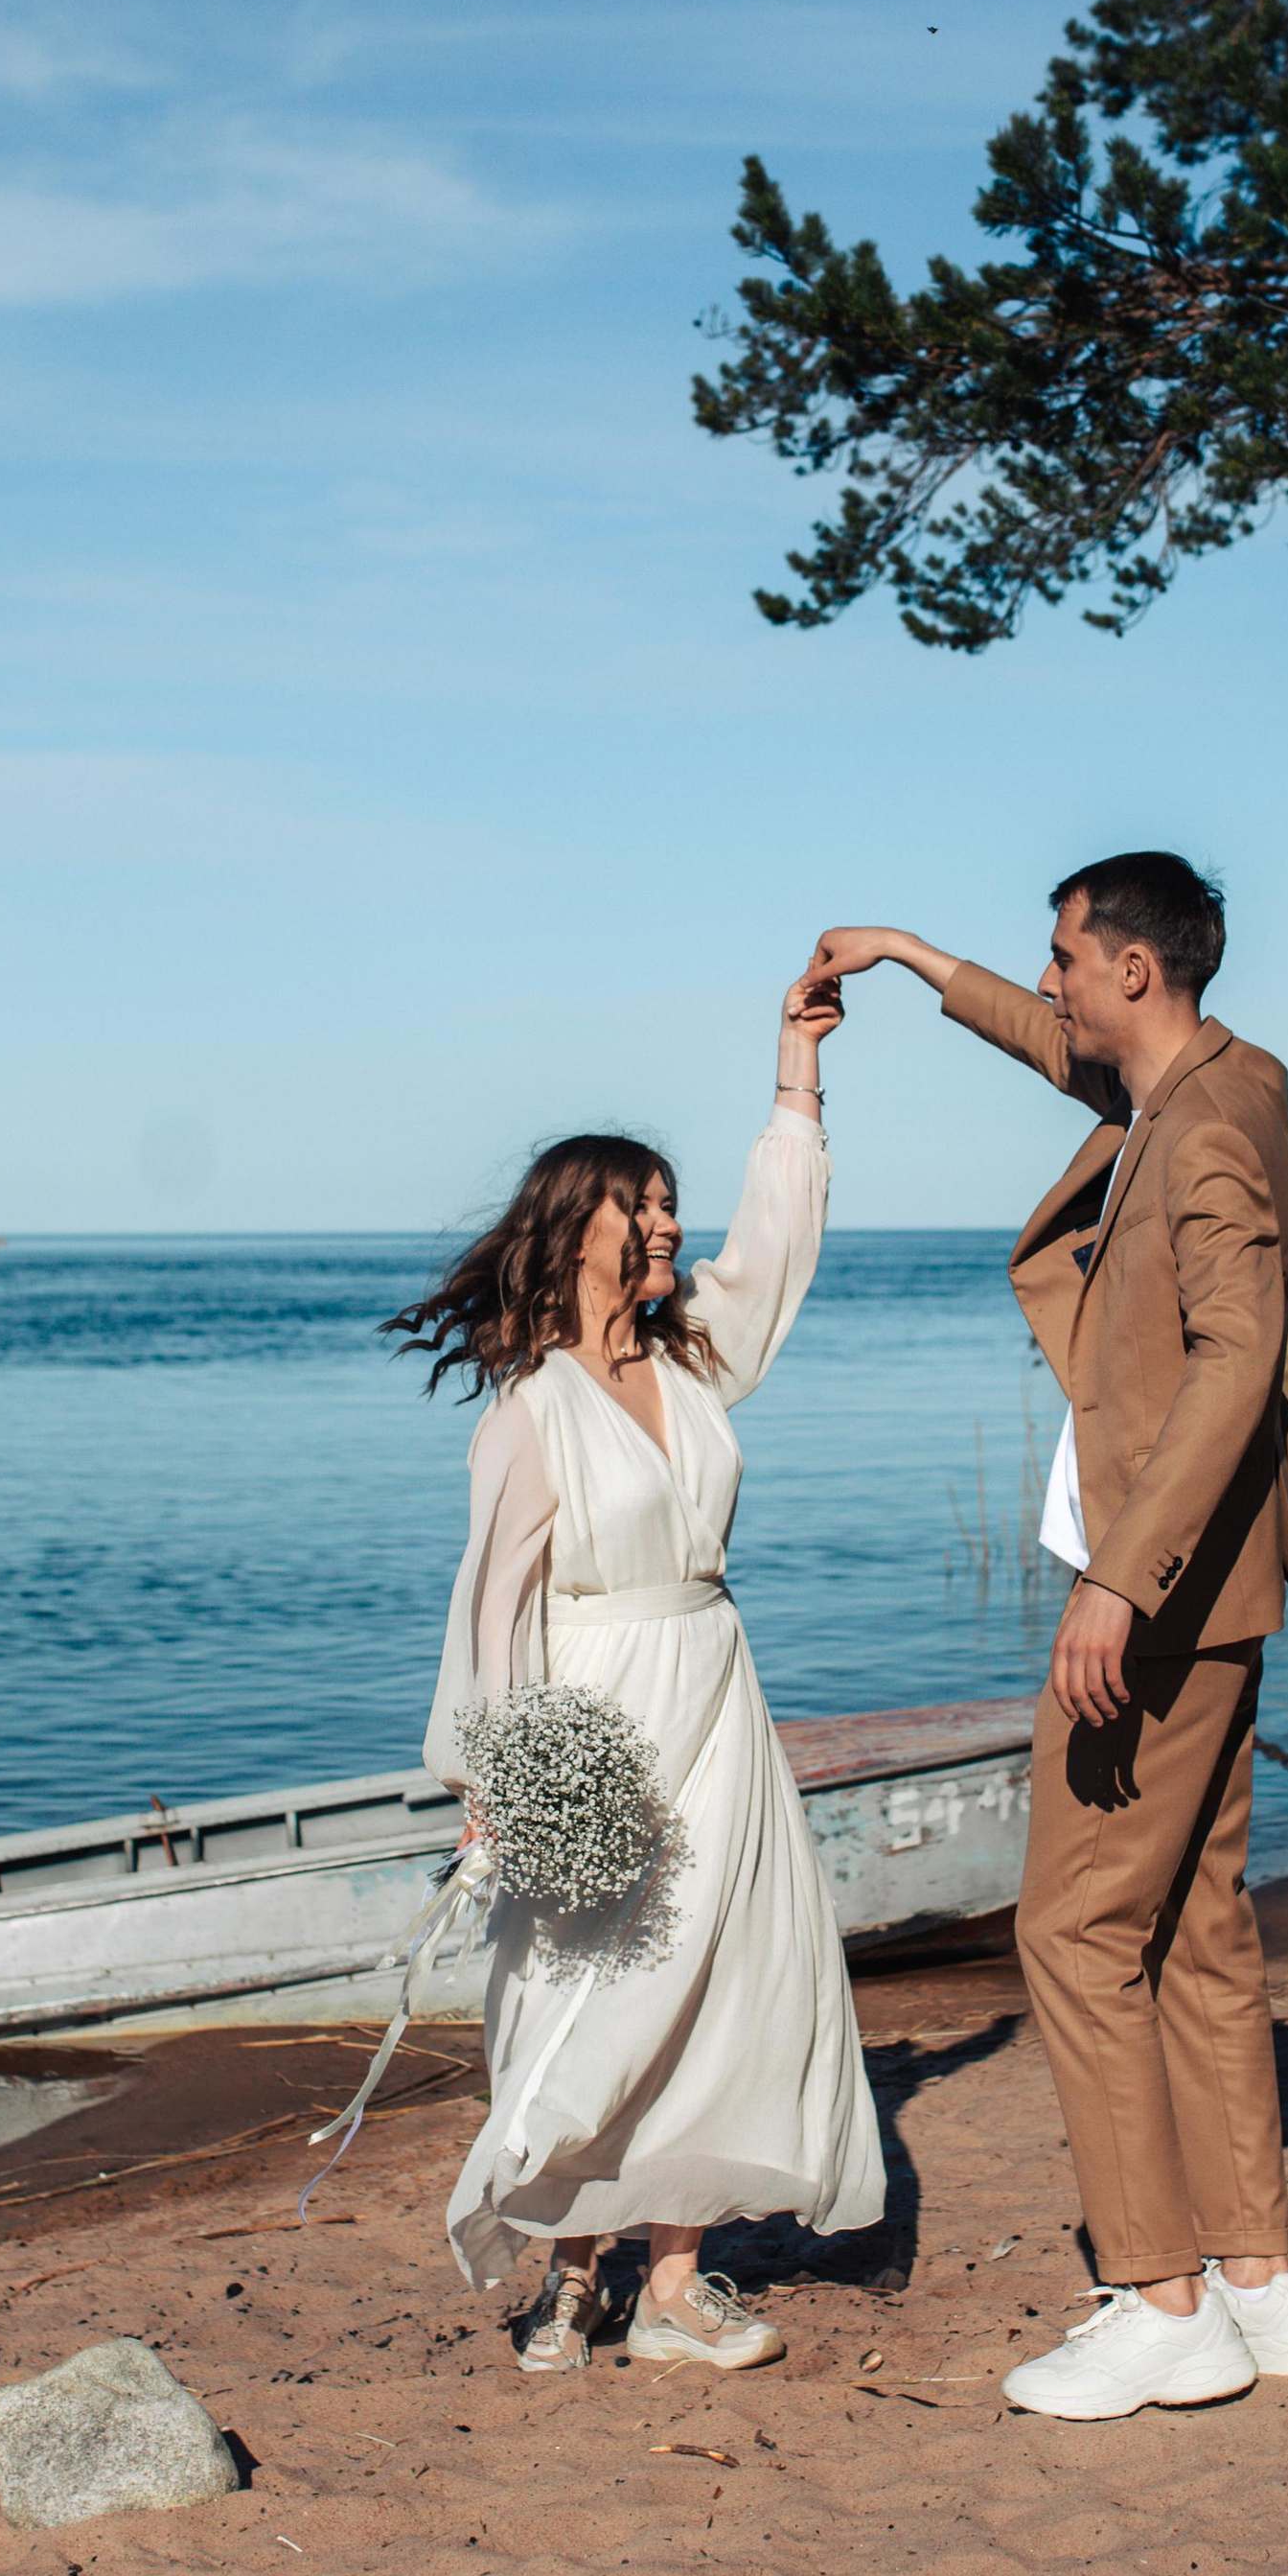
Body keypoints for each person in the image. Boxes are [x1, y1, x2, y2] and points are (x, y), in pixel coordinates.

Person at [810, 856, 1288, 2420]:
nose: (1050, 983)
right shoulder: (1208, 1078)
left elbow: (1237, 1367)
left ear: (1131, 971)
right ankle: (1258, 2282)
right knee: (1198, 1926)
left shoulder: (1211, 1139)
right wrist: (912, 959)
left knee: (1075, 1934)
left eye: (1061, 960)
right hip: (1217, 1578)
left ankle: (1159, 2298)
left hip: (1163, 1588)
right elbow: (1059, 1051)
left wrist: (1118, 1579)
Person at [386, 972, 886, 2375]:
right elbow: (493, 1607)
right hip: (597, 1717)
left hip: (717, 1696)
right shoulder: (533, 1412)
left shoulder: (693, 1361)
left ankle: (675, 2284)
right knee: (581, 1989)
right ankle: (569, 2269)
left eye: (672, 1206)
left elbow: (777, 1249)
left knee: (726, 1981)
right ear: (579, 1230)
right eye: (646, 1208)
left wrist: (798, 1077)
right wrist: (496, 1781)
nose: (670, 1226)